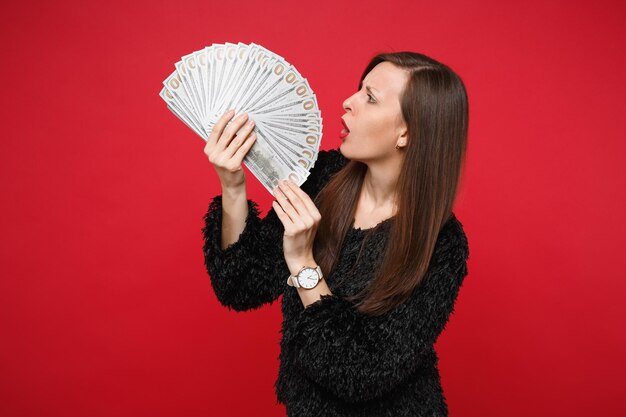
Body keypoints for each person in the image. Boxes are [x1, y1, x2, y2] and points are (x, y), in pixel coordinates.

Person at [201, 51, 470, 416]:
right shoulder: (322, 179)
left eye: (370, 98)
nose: (348, 101)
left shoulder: (442, 243)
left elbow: (360, 375)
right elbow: (239, 285)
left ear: (407, 132)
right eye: (358, 89)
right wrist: (233, 187)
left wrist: (302, 263)